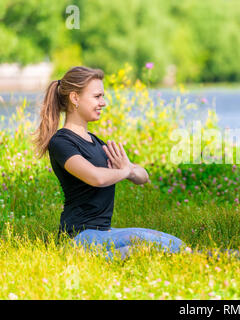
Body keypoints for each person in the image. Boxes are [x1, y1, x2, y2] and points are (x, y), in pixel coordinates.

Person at [32, 66, 185, 259]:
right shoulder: (61, 142)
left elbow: (143, 177)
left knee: (168, 241)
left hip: (103, 233)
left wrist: (128, 170)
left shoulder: (97, 143)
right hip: (78, 237)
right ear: (75, 98)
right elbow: (96, 177)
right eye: (97, 96)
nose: (103, 103)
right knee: (143, 241)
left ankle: (200, 256)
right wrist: (126, 171)